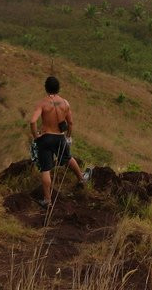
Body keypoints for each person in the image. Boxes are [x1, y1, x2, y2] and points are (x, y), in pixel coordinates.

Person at [29, 75, 91, 208]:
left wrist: (36, 136)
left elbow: (33, 121)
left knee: (46, 169)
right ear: (58, 88)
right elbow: (71, 123)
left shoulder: (42, 103)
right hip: (59, 137)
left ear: (46, 88)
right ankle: (81, 178)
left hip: (45, 137)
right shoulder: (65, 103)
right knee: (68, 158)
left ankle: (47, 200)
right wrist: (68, 137)